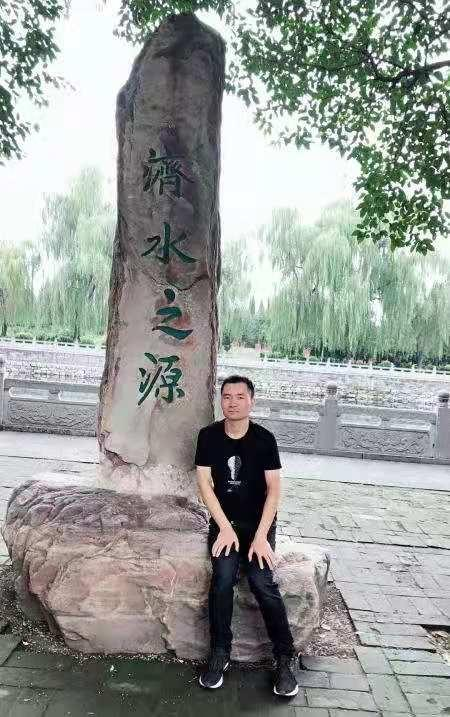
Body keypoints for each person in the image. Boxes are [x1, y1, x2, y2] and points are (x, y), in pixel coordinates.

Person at [195, 374, 300, 697]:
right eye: (227, 396)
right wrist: (224, 527)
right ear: (221, 400)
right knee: (222, 578)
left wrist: (262, 536)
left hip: (259, 525)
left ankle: (284, 657)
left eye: (240, 397)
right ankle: (220, 652)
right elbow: (204, 485)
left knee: (261, 581)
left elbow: (274, 491)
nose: (233, 402)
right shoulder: (208, 436)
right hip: (225, 523)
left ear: (251, 401)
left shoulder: (265, 439)